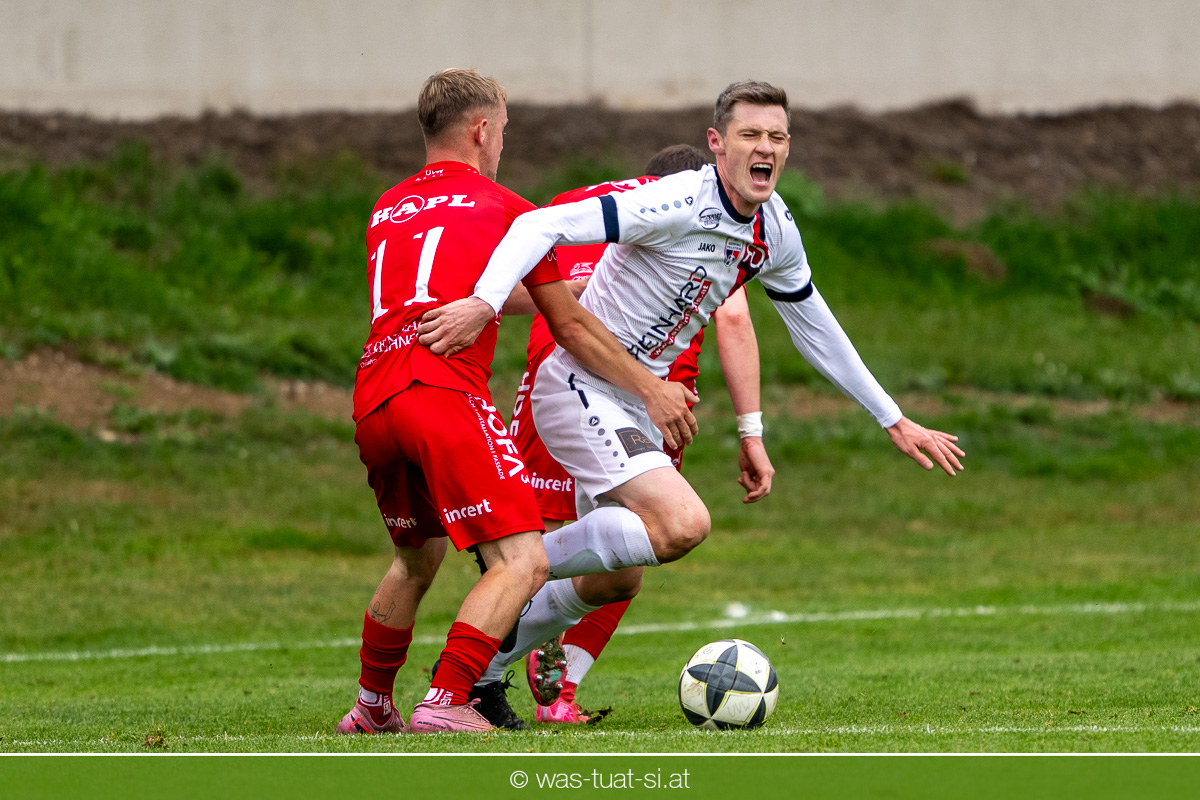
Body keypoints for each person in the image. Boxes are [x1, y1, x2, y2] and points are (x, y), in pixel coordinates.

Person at [417, 80, 965, 704]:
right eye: (750, 134)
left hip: (632, 403)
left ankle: (483, 667)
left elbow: (815, 325)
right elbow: (538, 224)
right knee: (682, 523)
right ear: (717, 143)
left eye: (777, 136)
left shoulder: (775, 228)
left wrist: (893, 419)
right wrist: (483, 303)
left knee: (618, 578)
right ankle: (519, 560)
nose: (765, 147)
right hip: (578, 385)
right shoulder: (673, 201)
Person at [337, 68, 695, 735]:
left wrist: (567, 290)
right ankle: (446, 701)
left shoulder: (387, 206)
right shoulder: (510, 210)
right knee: (523, 560)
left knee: (415, 560)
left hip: (374, 394)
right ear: (481, 130)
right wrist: (649, 383)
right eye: (503, 130)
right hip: (442, 393)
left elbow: (470, 287)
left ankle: (371, 707)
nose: (503, 142)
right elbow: (569, 325)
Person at [507, 144, 771, 725]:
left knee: (596, 549)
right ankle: (539, 678)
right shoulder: (710, 220)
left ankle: (514, 638)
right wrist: (750, 430)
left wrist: (574, 290)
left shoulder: (579, 204)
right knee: (636, 541)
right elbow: (732, 318)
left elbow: (511, 288)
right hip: (633, 396)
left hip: (558, 388)